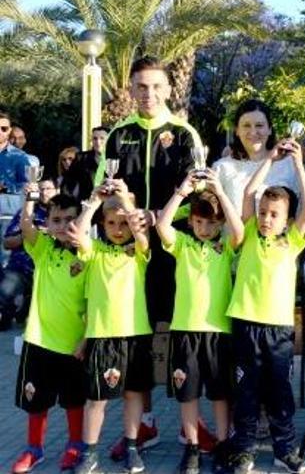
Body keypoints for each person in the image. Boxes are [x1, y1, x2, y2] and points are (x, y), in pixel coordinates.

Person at [101, 56, 208, 457]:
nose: (148, 94)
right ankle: (144, 424)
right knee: (137, 336)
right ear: (130, 89)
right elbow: (104, 188)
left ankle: (191, 425)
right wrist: (127, 217)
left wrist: (159, 217)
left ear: (168, 89)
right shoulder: (118, 134)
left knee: (184, 334)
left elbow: (200, 198)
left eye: (156, 87)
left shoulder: (184, 134)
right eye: (141, 87)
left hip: (177, 251)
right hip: (131, 255)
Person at [224, 139, 305, 474]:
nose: (265, 219)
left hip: (279, 330)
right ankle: (243, 450)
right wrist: (271, 160)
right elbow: (248, 193)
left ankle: (284, 450)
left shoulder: (292, 241)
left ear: (286, 220)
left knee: (279, 394)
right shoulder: (247, 232)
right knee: (246, 392)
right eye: (263, 213)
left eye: (274, 215)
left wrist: (298, 164)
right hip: (246, 325)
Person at [155, 170, 244, 474]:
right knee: (188, 393)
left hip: (219, 332)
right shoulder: (182, 244)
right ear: (191, 221)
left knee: (221, 394)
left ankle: (223, 444)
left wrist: (219, 192)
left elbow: (239, 231)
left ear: (219, 222)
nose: (205, 228)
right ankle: (191, 446)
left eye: (211, 222)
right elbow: (162, 224)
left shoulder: (225, 247)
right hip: (185, 331)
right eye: (199, 222)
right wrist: (183, 192)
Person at [71, 180, 152, 474]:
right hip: (102, 336)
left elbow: (142, 231)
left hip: (135, 335)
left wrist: (124, 199)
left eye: (123, 223)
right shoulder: (94, 251)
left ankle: (132, 447)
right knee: (97, 399)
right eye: (111, 223)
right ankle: (89, 454)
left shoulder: (139, 252)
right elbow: (76, 233)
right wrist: (93, 201)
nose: (119, 229)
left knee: (133, 395)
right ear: (102, 224)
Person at [9, 192, 86, 474]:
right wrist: (29, 198)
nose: (64, 225)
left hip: (72, 345)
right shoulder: (43, 249)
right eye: (56, 220)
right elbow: (27, 228)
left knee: (74, 400)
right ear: (48, 224)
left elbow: (96, 303)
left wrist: (86, 338)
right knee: (36, 401)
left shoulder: (89, 256)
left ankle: (75, 444)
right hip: (38, 341)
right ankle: (34, 448)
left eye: (70, 219)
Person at [212, 99, 300, 216]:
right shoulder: (221, 168)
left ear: (269, 129)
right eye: (246, 126)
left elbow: (300, 209)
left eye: (259, 125)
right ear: (237, 130)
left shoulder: (288, 165)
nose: (253, 132)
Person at [0, 178, 57, 329]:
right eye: (41, 189)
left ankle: (26, 305)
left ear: (57, 191)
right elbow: (6, 243)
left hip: (50, 271)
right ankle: (7, 312)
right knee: (8, 285)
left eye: (49, 189)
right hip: (21, 269)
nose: (44, 192)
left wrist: (52, 233)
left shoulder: (61, 215)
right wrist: (29, 233)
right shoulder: (25, 213)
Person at [0, 112, 31, 266]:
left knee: (4, 265)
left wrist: (6, 187)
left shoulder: (19, 156)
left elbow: (28, 186)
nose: (0, 131)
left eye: (4, 128)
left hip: (7, 217)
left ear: (9, 130)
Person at [62, 126, 109, 201]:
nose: (98, 142)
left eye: (102, 138)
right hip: (87, 203)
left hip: (110, 205)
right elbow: (69, 183)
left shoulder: (117, 158)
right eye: (95, 138)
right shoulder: (81, 158)